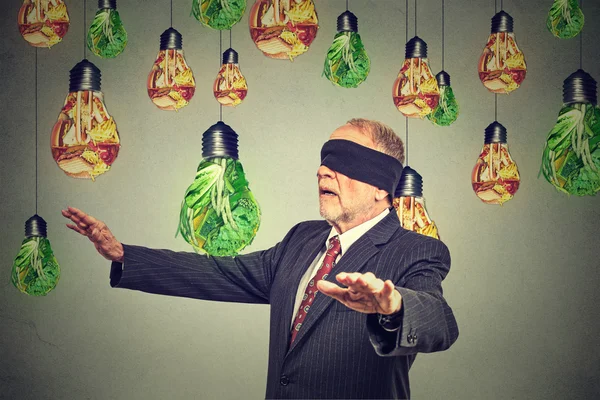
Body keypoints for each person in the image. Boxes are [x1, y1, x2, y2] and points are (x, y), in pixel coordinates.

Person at [62, 118, 458, 399]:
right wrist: (124, 255)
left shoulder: (417, 249)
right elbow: (220, 273)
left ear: (380, 187)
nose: (323, 170)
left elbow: (439, 321)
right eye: (324, 160)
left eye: (342, 163)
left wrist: (394, 307)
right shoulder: (303, 239)